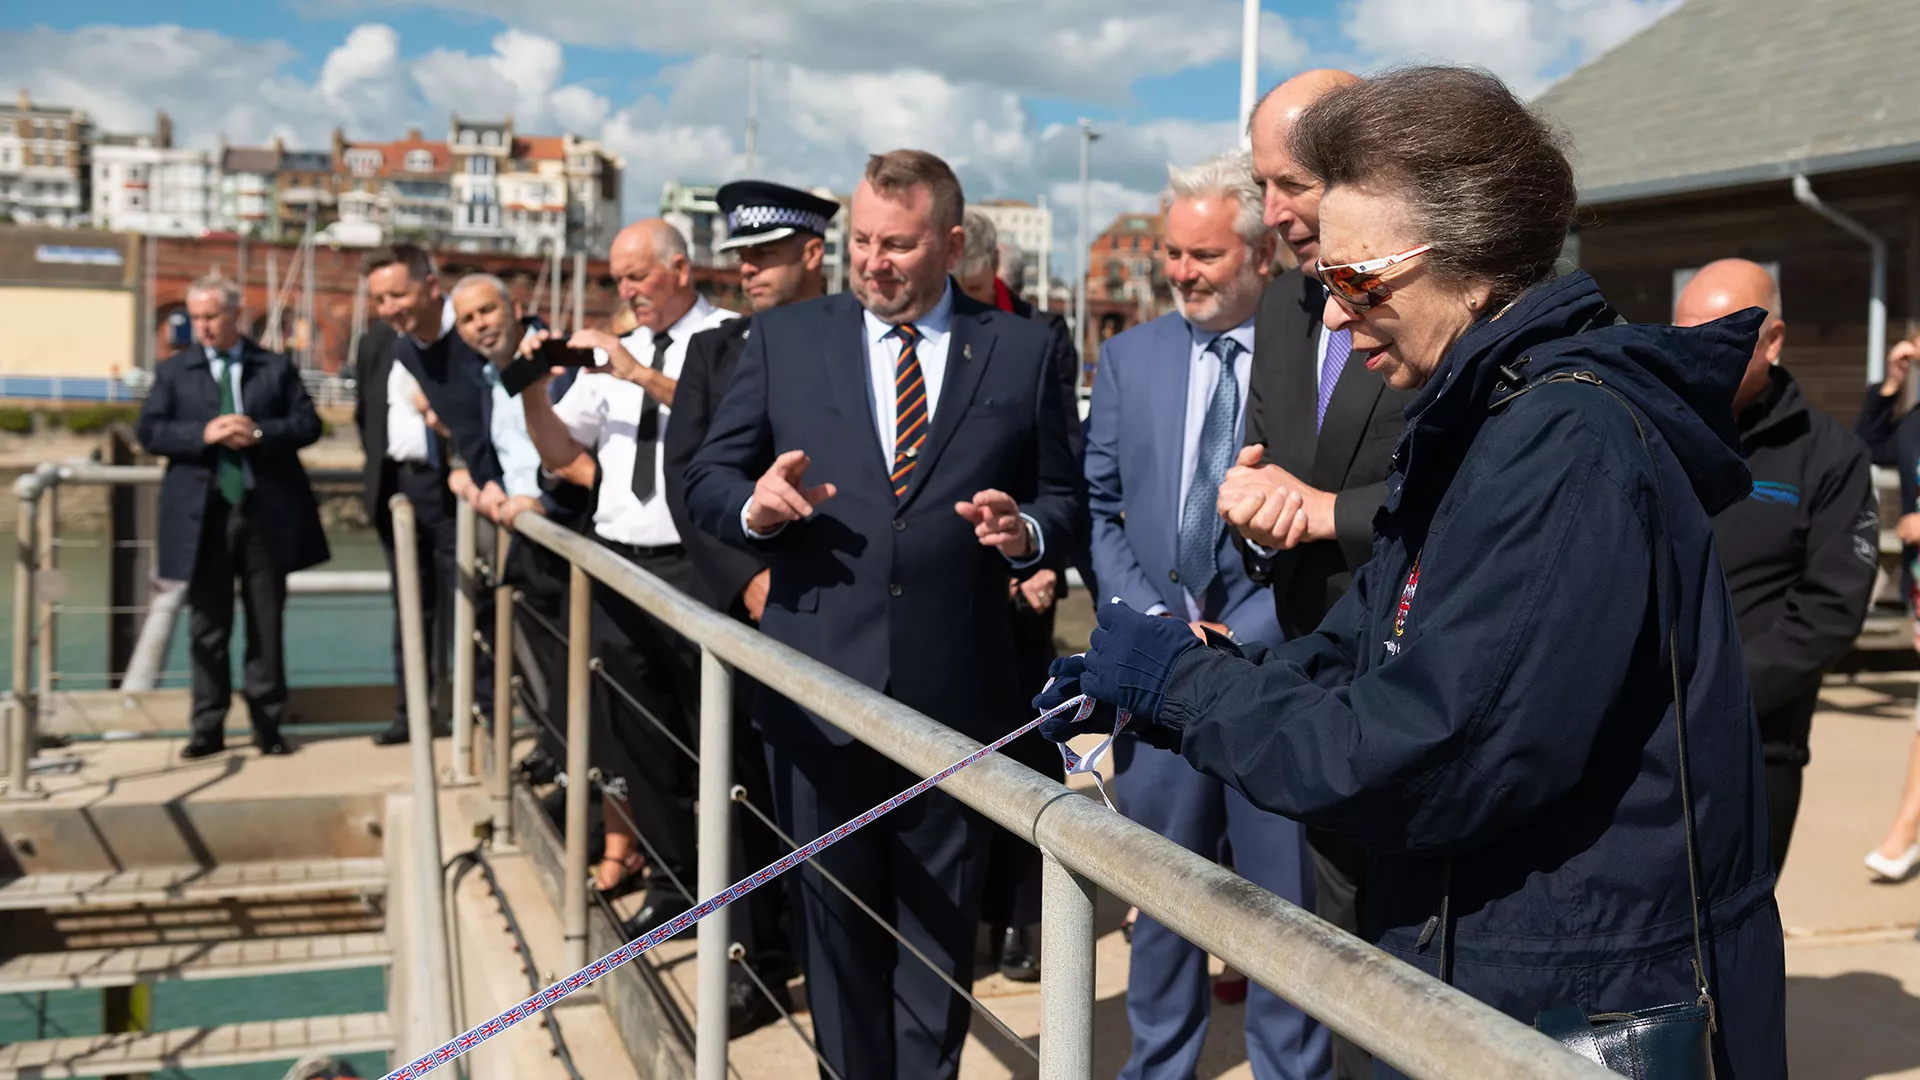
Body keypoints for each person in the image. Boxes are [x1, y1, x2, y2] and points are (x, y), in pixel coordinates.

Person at [1039, 67, 1787, 1079]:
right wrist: (1189, 667)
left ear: (1474, 265)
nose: (1336, 321)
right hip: (1486, 968)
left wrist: (1183, 686)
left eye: (1358, 283)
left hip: (1566, 1001)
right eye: (1323, 287)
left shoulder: (1567, 444)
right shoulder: (1482, 417)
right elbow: (1360, 655)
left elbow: (1428, 756)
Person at [684, 149, 1085, 1080]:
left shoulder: (1026, 349)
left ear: (950, 243)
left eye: (898, 244)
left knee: (939, 938)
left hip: (957, 702)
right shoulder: (785, 340)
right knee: (833, 932)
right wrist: (755, 509)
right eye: (862, 241)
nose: (875, 261)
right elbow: (707, 477)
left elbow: (1066, 500)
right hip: (816, 694)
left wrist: (1024, 532)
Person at [1084, 151, 1327, 1080]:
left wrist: (1242, 637)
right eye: (1171, 255)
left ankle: (1290, 1070)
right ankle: (1160, 1066)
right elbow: (1101, 508)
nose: (1181, 273)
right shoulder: (1129, 356)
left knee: (1282, 915)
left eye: (1205, 256)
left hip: (1275, 675)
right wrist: (1152, 620)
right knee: (1163, 906)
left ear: (1259, 257)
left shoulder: (1313, 357)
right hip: (1160, 677)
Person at [1213, 67, 1393, 1080]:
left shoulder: (1460, 308)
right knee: (1338, 966)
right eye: (1263, 187)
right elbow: (1269, 466)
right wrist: (1253, 515)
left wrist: (1331, 517)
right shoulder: (1285, 307)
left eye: (1295, 185)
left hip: (1418, 696)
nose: (1273, 215)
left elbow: (1480, 494)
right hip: (1314, 690)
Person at [521, 219, 738, 932]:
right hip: (619, 564)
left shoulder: (730, 336)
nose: (628, 291)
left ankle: (740, 905)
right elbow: (560, 453)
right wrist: (530, 390)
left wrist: (639, 375)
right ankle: (673, 885)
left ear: (680, 267)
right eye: (618, 279)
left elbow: (726, 423)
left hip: (696, 568)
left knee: (717, 740)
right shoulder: (613, 354)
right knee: (640, 738)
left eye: (638, 275)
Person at [661, 179, 836, 1034]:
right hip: (743, 616)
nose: (746, 271)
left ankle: (827, 947)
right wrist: (746, 581)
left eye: (763, 255)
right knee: (733, 788)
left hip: (838, 612)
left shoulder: (856, 343)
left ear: (812, 253)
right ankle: (749, 960)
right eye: (739, 257)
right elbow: (685, 478)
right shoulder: (712, 353)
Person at [1675, 259, 1878, 874]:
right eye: (1685, 335)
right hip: (1625, 736)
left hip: (1753, 746)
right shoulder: (1648, 426)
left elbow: (1831, 607)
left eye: (1722, 336)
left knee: (1730, 944)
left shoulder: (1830, 456)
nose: (1697, 354)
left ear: (1775, 340)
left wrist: (1717, 692)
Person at [953, 207, 1078, 983]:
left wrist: (1042, 560)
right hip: (952, 589)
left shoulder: (1039, 335)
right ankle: (970, 913)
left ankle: (1025, 916)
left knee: (1026, 750)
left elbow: (1059, 463)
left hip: (1024, 583)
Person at [136, 274, 327, 759]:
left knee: (266, 622)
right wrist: (205, 433)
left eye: (210, 317)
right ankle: (208, 727)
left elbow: (308, 424)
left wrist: (258, 434)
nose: (201, 326)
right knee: (207, 624)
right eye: (194, 317)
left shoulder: (275, 367)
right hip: (203, 516)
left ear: (234, 316)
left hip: (264, 513)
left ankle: (268, 725)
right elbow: (151, 432)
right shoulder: (174, 371)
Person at [361, 245, 457, 746]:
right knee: (409, 609)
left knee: (469, 605)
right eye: (380, 298)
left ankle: (475, 716)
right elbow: (366, 413)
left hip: (451, 489)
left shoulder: (460, 338)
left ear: (429, 285)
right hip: (397, 488)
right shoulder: (377, 342)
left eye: (397, 294)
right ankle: (412, 715)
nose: (390, 306)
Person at [1853, 334, 1920, 883]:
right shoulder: (1915, 419)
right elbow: (1868, 445)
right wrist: (1891, 387)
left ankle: (1904, 834)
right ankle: (1903, 836)